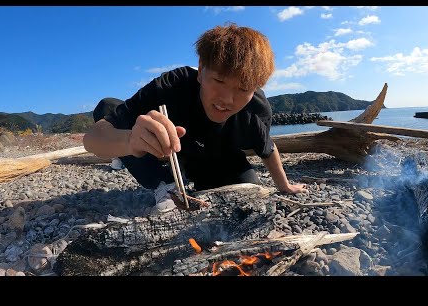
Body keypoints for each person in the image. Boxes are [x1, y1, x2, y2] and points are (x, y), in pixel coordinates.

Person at [84, 23, 308, 214]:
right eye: (219, 81)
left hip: (215, 158)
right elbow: (92, 139)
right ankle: (164, 182)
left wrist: (284, 185)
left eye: (243, 88)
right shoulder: (174, 85)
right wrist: (130, 140)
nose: (227, 99)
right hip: (168, 154)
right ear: (201, 69)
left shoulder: (256, 109)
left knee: (246, 197)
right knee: (111, 110)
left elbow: (267, 148)